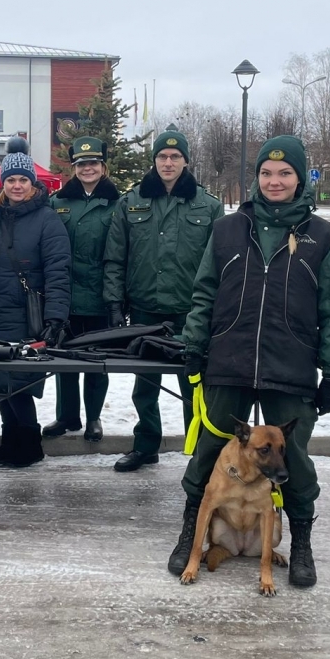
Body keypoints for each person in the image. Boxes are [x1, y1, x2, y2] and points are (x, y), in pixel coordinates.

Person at [172, 136, 330, 588]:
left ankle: (302, 542)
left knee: (290, 458)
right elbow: (203, 293)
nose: (275, 181)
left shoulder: (324, 238)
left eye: (285, 173)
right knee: (210, 450)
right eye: (267, 174)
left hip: (289, 365)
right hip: (228, 359)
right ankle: (189, 532)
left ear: (300, 178)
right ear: (256, 179)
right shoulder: (227, 229)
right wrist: (195, 342)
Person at [102, 125, 224, 471]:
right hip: (145, 309)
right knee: (145, 386)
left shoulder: (208, 206)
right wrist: (114, 304)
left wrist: (215, 310)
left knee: (194, 386)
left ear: (185, 161)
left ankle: (200, 454)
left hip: (191, 312)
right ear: (154, 160)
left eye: (175, 156)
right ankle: (145, 445)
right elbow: (115, 258)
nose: (168, 162)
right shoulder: (132, 201)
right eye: (162, 156)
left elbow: (219, 264)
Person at [0, 148, 71, 467]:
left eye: (24, 179)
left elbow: (58, 270)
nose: (17, 185)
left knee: (19, 382)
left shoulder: (47, 220)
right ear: (4, 183)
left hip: (24, 314)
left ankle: (29, 442)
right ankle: (10, 437)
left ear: (34, 183)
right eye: (11, 179)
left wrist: (56, 316)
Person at [43, 137, 120, 442]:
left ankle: (93, 417)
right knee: (64, 362)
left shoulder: (118, 204)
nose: (88, 168)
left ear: (103, 167)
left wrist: (116, 300)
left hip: (102, 297)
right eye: (81, 164)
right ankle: (67, 416)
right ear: (74, 168)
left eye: (93, 163)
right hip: (66, 296)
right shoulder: (58, 203)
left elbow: (121, 254)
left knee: (98, 364)